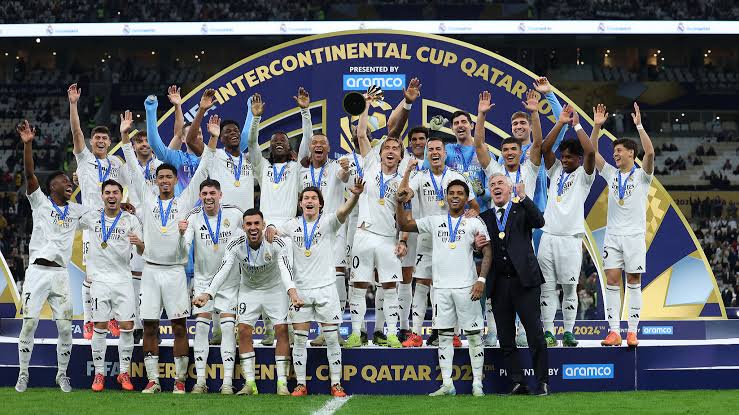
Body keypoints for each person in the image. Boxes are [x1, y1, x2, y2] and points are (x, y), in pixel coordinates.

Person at [120, 100, 215, 393]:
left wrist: (212, 140)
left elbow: (203, 170)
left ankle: (179, 381)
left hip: (175, 272)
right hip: (150, 271)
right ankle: (153, 380)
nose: (164, 181)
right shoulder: (147, 197)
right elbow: (132, 165)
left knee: (178, 326)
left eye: (169, 177)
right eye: (160, 177)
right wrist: (124, 136)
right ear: (156, 180)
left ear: (175, 180)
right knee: (149, 325)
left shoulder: (185, 200)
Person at [267, 181, 364, 397]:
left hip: (326, 289)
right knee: (300, 340)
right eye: (306, 198)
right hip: (301, 290)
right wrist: (271, 227)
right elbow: (274, 230)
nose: (309, 201)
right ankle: (301, 384)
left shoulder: (328, 222)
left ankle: (336, 384)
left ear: (320, 203)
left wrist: (355, 196)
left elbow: (343, 211)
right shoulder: (292, 225)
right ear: (300, 203)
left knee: (332, 339)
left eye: (313, 198)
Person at [397, 179, 491, 396]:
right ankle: (447, 384)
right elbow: (404, 226)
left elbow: (487, 251)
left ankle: (477, 384)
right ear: (446, 197)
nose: (455, 196)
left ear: (466, 198)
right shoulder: (434, 220)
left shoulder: (475, 222)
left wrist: (481, 280)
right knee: (445, 336)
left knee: (474, 336)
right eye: (451, 193)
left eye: (460, 193)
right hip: (440, 288)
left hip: (467, 287)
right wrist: (400, 204)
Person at [193, 208, 300, 396]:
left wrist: (292, 293)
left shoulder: (277, 242)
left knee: (282, 331)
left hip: (274, 290)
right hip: (249, 290)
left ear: (263, 225)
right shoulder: (235, 244)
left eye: (256, 223)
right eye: (248, 224)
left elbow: (285, 269)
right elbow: (224, 269)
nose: (253, 227)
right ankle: (250, 383)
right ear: (243, 227)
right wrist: (208, 294)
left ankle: (282, 384)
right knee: (243, 331)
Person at [15, 120, 83, 393]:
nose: (69, 183)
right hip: (37, 273)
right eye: (64, 181)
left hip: (60, 275)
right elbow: (29, 174)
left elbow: (102, 212)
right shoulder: (40, 202)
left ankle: (62, 375)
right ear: (51, 186)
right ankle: (23, 374)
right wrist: (28, 144)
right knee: (29, 324)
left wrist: (122, 206)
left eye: (69, 181)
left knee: (65, 328)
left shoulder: (76, 210)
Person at [187, 89, 255, 346]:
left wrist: (252, 113)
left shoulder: (249, 159)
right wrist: (202, 110)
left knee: (245, 277)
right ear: (221, 137)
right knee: (219, 272)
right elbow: (191, 139)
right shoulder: (214, 154)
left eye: (236, 130)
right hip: (219, 222)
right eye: (227, 131)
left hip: (246, 225)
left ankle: (260, 327)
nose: (233, 133)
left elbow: (251, 135)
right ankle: (218, 329)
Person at [475, 90, 542, 347]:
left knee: (524, 284)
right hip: (497, 235)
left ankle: (524, 331)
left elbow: (538, 144)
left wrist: (534, 112)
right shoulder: (495, 171)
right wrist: (481, 115)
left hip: (523, 236)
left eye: (514, 149)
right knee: (496, 284)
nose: (510, 152)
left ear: (520, 150)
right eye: (505, 150)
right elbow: (479, 145)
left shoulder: (529, 169)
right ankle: (492, 331)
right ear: (501, 153)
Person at [397, 138, 479, 348]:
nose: (434, 152)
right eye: (430, 149)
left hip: (452, 239)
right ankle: (416, 334)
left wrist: (472, 213)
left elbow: (475, 206)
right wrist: (407, 172)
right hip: (427, 236)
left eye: (438, 149)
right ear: (427, 154)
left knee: (451, 286)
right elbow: (403, 194)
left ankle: (453, 334)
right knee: (422, 284)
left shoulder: (456, 177)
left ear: (445, 153)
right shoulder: (419, 176)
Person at [245, 89, 311, 346]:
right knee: (265, 279)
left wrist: (305, 111)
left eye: (283, 140)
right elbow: (252, 145)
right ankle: (270, 329)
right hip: (263, 230)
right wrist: (255, 118)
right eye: (274, 141)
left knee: (288, 281)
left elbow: (306, 143)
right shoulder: (263, 167)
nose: (278, 142)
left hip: (288, 229)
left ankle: (291, 328)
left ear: (290, 147)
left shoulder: (296, 168)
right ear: (270, 148)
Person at [68, 84, 131, 341]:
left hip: (115, 222)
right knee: (92, 275)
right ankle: (89, 320)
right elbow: (76, 131)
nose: (101, 141)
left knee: (115, 271)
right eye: (97, 138)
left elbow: (132, 183)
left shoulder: (116, 163)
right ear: (92, 142)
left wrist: (127, 205)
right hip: (92, 222)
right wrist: (73, 104)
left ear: (110, 142)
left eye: (105, 138)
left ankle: (113, 317)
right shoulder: (84, 159)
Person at [345, 90, 407, 349]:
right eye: (387, 148)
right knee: (358, 285)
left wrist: (403, 240)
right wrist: (366, 106)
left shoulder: (404, 177)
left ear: (401, 156)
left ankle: (391, 334)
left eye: (396, 148)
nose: (390, 151)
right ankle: (356, 333)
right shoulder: (369, 163)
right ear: (379, 153)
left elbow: (406, 213)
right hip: (363, 234)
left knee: (390, 287)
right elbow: (361, 134)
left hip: (388, 238)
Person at [476, 175, 549, 396]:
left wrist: (524, 196)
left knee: (535, 333)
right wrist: (476, 246)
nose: (496, 187)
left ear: (510, 189)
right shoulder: (484, 218)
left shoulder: (521, 209)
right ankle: (518, 382)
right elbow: (479, 249)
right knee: (506, 337)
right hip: (499, 284)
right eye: (492, 185)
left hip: (524, 281)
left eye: (500, 184)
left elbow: (540, 222)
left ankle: (542, 382)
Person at [591, 102, 655, 348]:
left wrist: (639, 126)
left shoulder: (642, 176)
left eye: (619, 151)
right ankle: (614, 332)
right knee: (611, 281)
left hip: (634, 236)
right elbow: (592, 153)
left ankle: (632, 332)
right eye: (614, 151)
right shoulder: (610, 173)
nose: (615, 154)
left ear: (631, 153)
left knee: (634, 281)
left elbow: (650, 153)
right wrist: (596, 127)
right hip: (612, 236)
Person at [537, 105, 596, 347]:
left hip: (571, 239)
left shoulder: (585, 176)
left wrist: (577, 125)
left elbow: (591, 151)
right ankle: (548, 332)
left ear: (578, 159)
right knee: (547, 288)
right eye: (563, 156)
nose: (564, 160)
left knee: (570, 288)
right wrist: (560, 122)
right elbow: (544, 148)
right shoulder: (555, 171)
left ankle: (569, 332)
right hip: (548, 236)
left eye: (569, 157)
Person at [79, 179, 144, 392]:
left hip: (123, 280)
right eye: (107, 192)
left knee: (127, 326)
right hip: (99, 281)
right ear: (102, 196)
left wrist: (139, 243)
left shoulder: (130, 220)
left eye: (115, 192)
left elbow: (143, 251)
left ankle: (123, 372)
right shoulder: (92, 217)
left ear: (121, 195)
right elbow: (70, 220)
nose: (111, 196)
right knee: (100, 326)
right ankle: (99, 374)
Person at [180, 178, 244, 394]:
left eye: (212, 193)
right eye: (204, 194)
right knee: (200, 328)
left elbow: (250, 234)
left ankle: (227, 383)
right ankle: (200, 382)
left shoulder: (235, 213)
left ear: (220, 195)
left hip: (229, 281)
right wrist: (181, 237)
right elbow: (185, 245)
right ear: (200, 196)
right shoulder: (193, 217)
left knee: (227, 328)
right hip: (202, 280)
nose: (208, 197)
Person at [298, 101, 351, 346]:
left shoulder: (336, 167)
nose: (318, 145)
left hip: (333, 229)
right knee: (315, 280)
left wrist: (346, 170)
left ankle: (335, 329)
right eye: (314, 142)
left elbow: (345, 176)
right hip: (310, 232)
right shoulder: (302, 172)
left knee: (337, 277)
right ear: (309, 148)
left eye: (323, 143)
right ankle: (321, 329)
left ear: (329, 148)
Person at [126, 128, 163, 344]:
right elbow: (106, 184)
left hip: (158, 223)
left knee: (156, 276)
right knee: (135, 277)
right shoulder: (127, 167)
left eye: (147, 140)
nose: (144, 144)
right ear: (133, 146)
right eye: (139, 141)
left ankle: (153, 325)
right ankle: (138, 326)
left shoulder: (161, 166)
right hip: (134, 224)